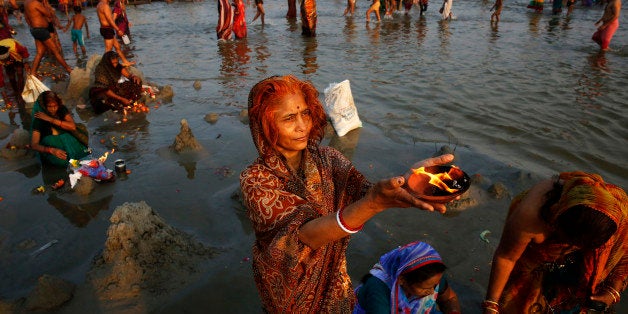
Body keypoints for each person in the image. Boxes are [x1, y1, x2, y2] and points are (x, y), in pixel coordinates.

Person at [240, 75, 456, 312]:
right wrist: (374, 204)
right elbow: (305, 236)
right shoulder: (256, 180)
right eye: (289, 118)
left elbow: (365, 192)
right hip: (288, 289)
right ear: (264, 124)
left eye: (306, 113)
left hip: (334, 282)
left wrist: (408, 183)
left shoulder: (329, 159)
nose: (302, 125)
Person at [483, 172, 627, 313]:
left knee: (573, 300)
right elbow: (506, 258)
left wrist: (612, 291)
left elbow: (623, 254)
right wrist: (491, 304)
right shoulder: (531, 215)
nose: (570, 246)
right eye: (565, 239)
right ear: (557, 218)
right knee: (519, 298)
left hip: (580, 261)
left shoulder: (618, 215)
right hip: (535, 259)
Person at [353, 241, 462, 314]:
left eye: (435, 285)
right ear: (402, 280)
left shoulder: (432, 277)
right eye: (424, 288)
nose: (431, 292)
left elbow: (449, 298)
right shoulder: (378, 290)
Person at [30, 91, 89, 167]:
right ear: (44, 106)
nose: (53, 109)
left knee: (85, 153)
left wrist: (50, 119)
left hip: (69, 142)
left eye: (55, 106)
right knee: (63, 162)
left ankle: (75, 163)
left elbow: (72, 126)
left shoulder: (61, 110)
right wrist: (51, 150)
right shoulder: (39, 117)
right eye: (49, 106)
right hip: (51, 147)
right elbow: (34, 145)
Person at [23, 0, 73, 75]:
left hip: (34, 29)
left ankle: (33, 73)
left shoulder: (27, 3)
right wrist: (46, 6)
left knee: (40, 53)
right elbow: (49, 14)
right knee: (55, 51)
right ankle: (69, 70)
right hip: (41, 30)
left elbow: (26, 18)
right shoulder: (36, 3)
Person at [96, 0, 133, 66]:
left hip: (104, 28)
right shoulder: (105, 6)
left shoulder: (99, 5)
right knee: (108, 50)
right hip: (107, 29)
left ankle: (125, 61)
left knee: (117, 46)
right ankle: (103, 67)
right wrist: (118, 30)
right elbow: (110, 20)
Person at [0, 38, 30, 106]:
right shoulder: (2, 60)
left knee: (20, 73)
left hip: (16, 54)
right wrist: (6, 99)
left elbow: (24, 52)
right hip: (4, 53)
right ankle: (16, 92)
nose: (6, 62)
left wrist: (25, 63)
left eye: (6, 60)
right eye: (3, 61)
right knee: (11, 76)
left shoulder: (15, 47)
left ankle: (21, 92)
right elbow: (0, 79)